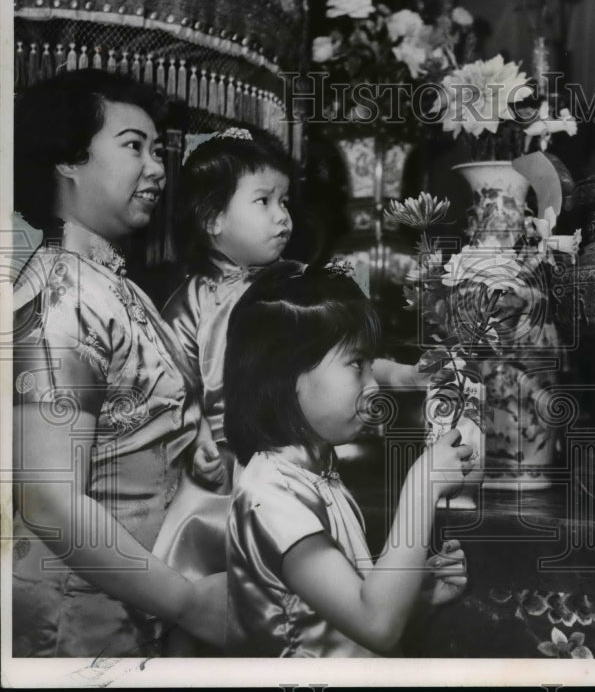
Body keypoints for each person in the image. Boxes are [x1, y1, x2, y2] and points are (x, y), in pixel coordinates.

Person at [11, 68, 226, 657]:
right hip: (80, 621)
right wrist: (187, 602)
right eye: (134, 146)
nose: (157, 167)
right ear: (67, 161)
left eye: (158, 150)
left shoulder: (111, 286)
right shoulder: (61, 296)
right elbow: (49, 499)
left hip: (137, 603)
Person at [224, 262, 473, 657]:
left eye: (372, 367)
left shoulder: (315, 475)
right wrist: (421, 486)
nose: (374, 387)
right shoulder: (269, 497)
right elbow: (377, 626)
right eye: (357, 365)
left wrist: (417, 593)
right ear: (287, 374)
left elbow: (348, 623)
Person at [162, 128, 425, 479]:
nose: (282, 216)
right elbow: (175, 390)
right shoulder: (191, 302)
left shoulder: (301, 286)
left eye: (284, 201)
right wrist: (199, 443)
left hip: (299, 453)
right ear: (213, 218)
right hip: (225, 463)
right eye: (263, 201)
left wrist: (401, 375)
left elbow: (345, 355)